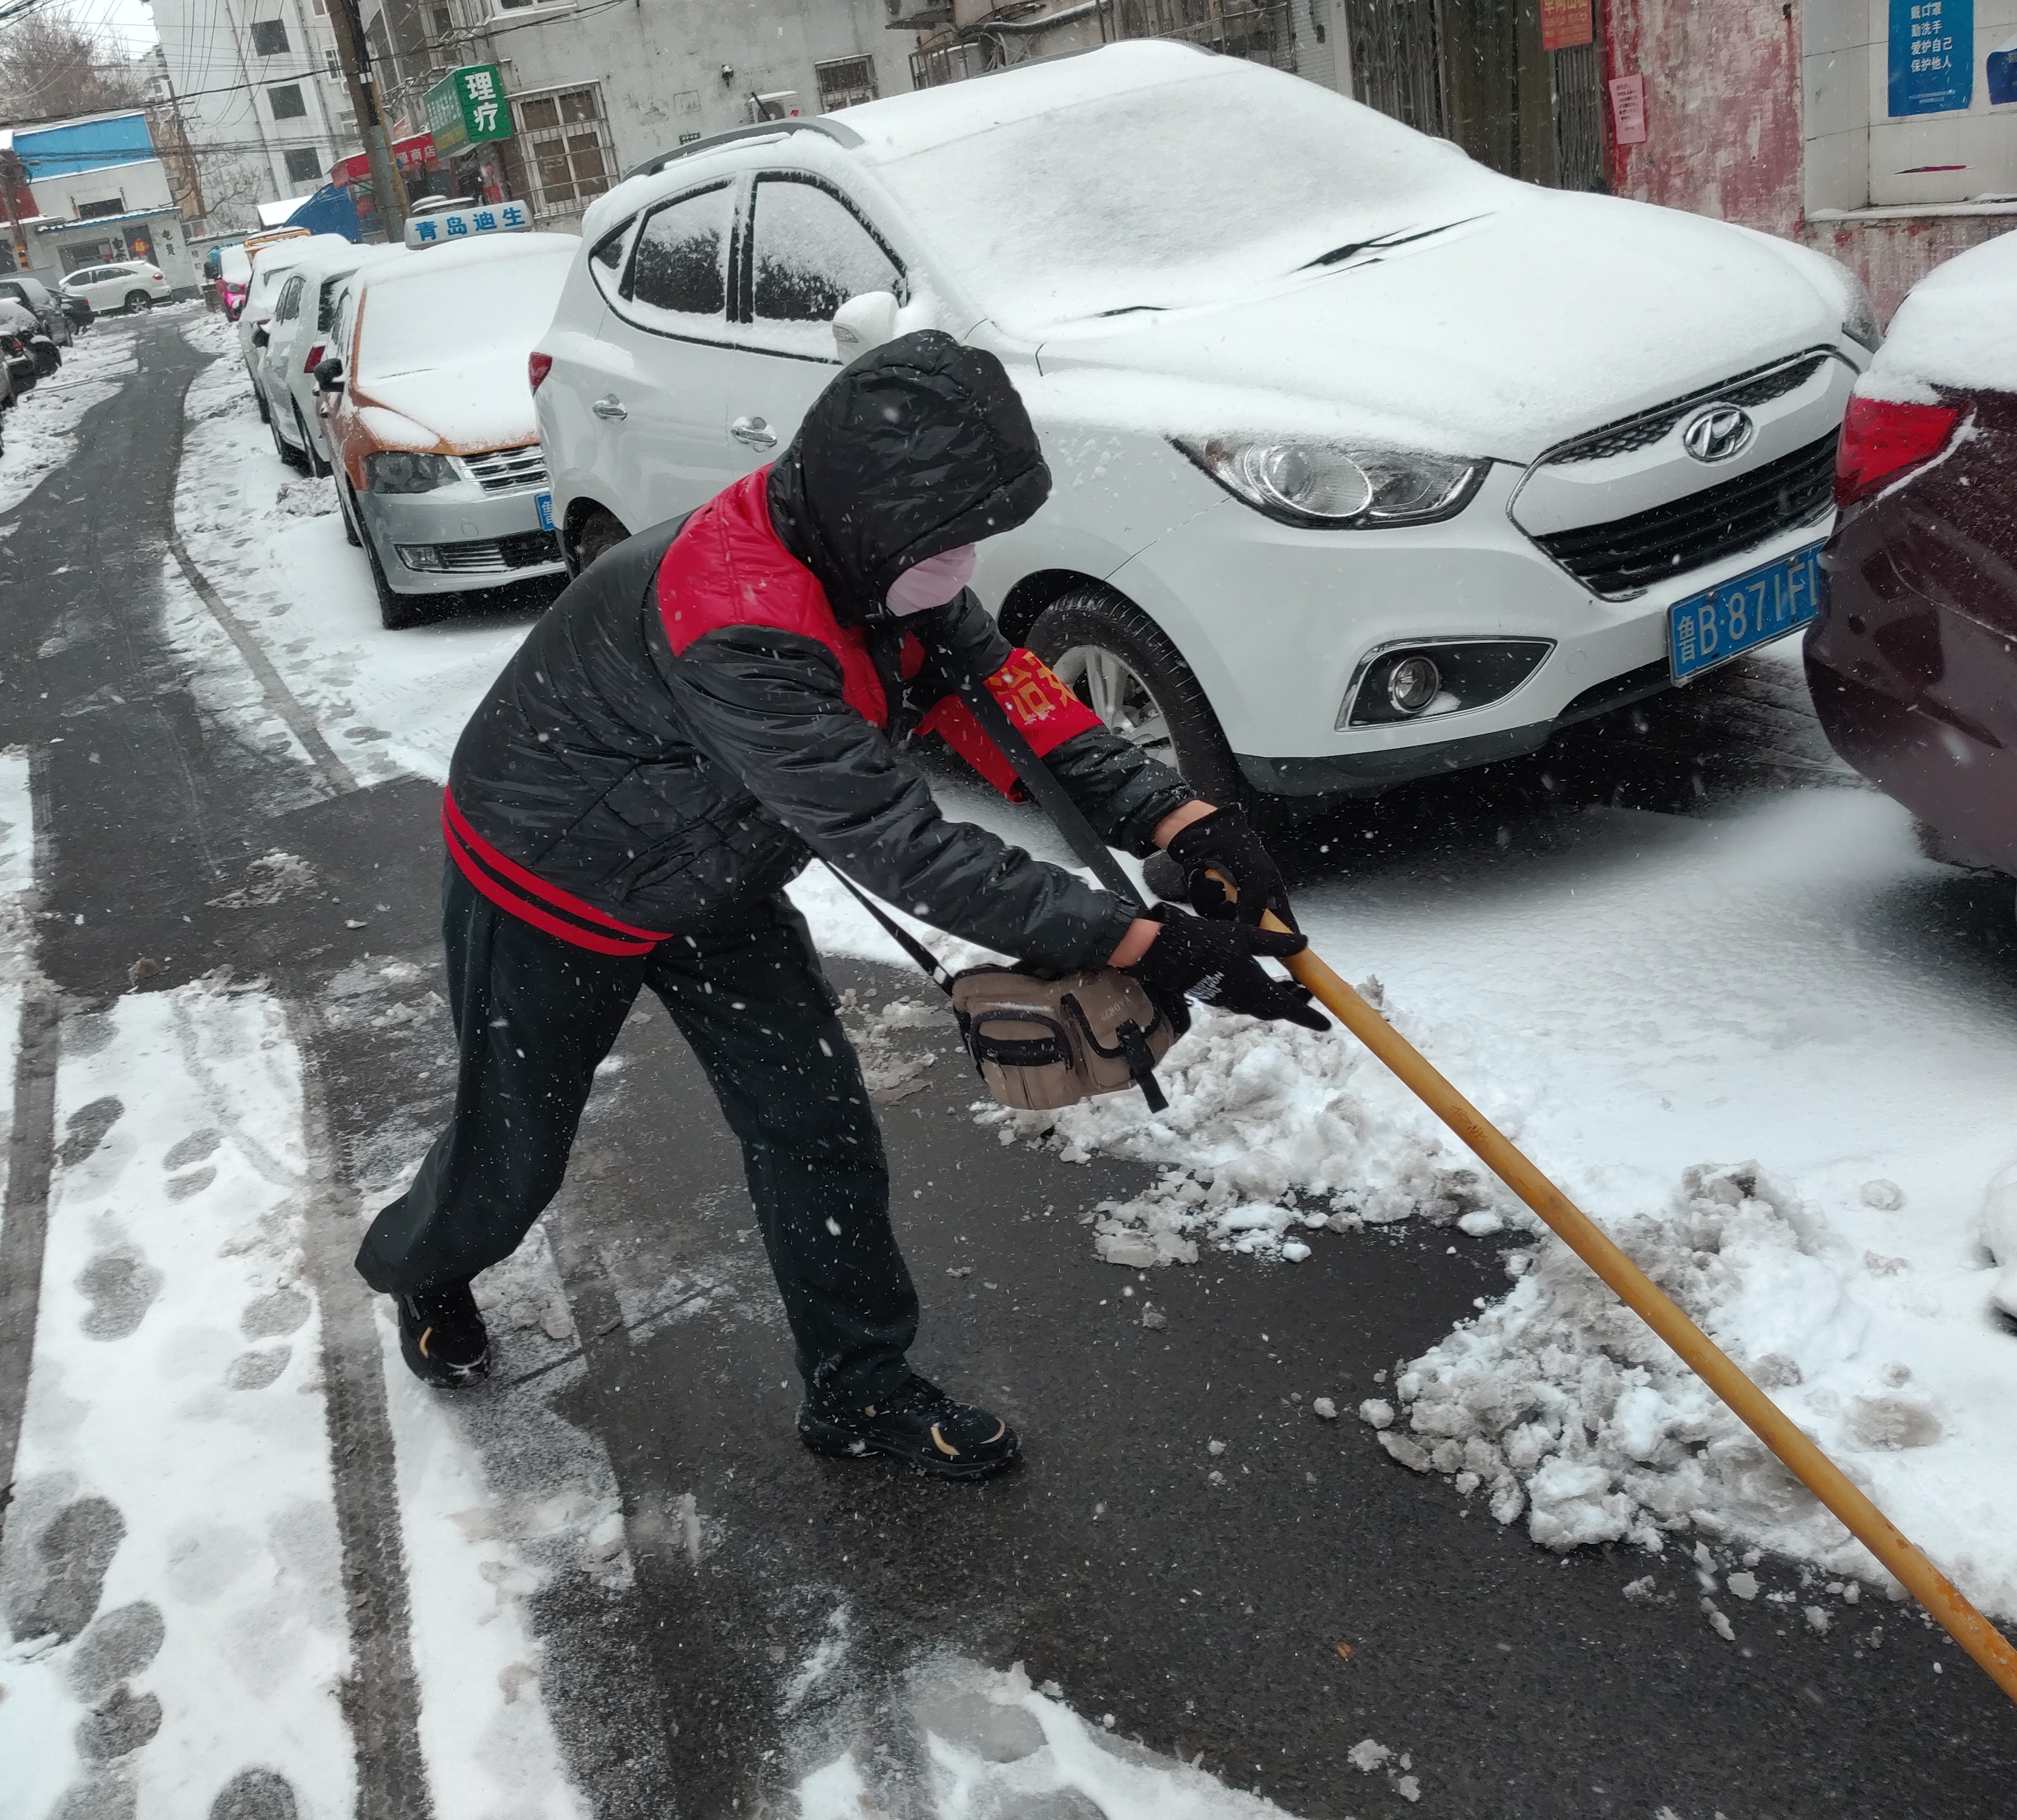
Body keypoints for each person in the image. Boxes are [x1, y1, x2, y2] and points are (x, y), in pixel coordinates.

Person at [355, 331, 1324, 1480]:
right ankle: (427, 1260)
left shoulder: (881, 561)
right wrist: (1152, 943)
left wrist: (1182, 822)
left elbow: (1022, 711)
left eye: (974, 534)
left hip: (718, 879)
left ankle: (859, 1392)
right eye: (949, 536)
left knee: (814, 1127)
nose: (964, 563)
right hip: (552, 880)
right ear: (871, 516)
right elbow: (902, 844)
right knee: (515, 1155)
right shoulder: (738, 614)